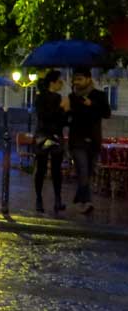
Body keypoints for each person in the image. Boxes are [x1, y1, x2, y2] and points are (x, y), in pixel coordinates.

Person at [68, 65, 111, 214]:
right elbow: (70, 116)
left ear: (88, 79)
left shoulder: (99, 95)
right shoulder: (72, 97)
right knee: (83, 169)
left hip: (93, 139)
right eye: (75, 80)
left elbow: (107, 113)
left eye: (80, 79)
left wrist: (92, 104)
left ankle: (79, 197)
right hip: (77, 140)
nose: (77, 82)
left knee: (89, 172)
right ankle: (87, 202)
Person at [33, 70, 69, 213]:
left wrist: (64, 110)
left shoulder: (48, 98)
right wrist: (62, 109)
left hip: (46, 136)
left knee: (47, 169)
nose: (62, 84)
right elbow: (48, 117)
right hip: (49, 136)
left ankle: (45, 199)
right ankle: (52, 199)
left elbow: (60, 120)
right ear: (53, 83)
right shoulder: (46, 98)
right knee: (50, 169)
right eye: (60, 81)